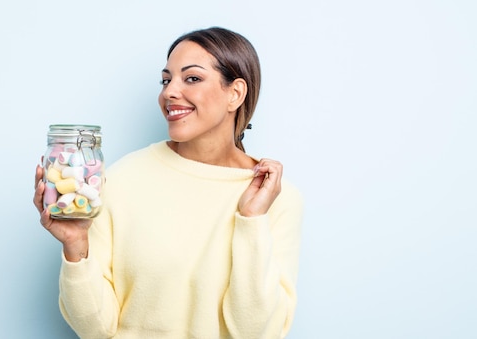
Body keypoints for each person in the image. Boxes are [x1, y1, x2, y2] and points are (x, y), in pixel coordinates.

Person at [33, 26, 303, 339]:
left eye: (192, 78)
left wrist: (251, 221)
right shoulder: (122, 179)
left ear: (235, 93)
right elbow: (96, 329)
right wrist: (75, 245)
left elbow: (256, 333)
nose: (169, 92)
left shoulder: (276, 198)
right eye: (166, 80)